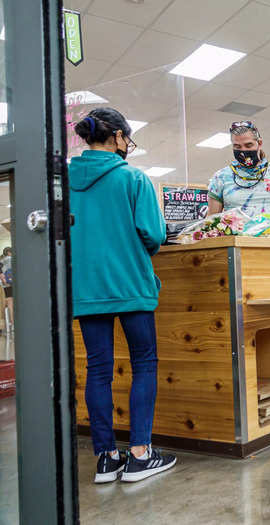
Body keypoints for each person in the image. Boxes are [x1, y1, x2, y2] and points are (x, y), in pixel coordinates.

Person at [70, 107, 175, 483]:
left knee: (97, 369)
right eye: (126, 138)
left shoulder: (64, 179)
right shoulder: (133, 178)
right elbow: (154, 234)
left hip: (86, 289)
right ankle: (140, 454)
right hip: (131, 286)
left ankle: (105, 459)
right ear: (116, 137)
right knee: (143, 363)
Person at [207, 120, 270, 236]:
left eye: (248, 145)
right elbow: (212, 219)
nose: (243, 150)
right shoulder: (220, 177)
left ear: (259, 143)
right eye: (237, 146)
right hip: (237, 247)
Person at [0, 247, 13, 330]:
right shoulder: (9, 259)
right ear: (9, 252)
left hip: (4, 285)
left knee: (8, 303)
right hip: (10, 284)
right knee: (11, 303)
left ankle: (9, 324)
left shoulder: (2, 261)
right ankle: (12, 322)